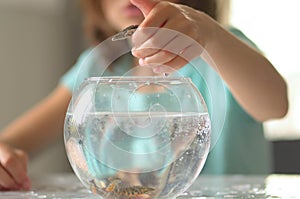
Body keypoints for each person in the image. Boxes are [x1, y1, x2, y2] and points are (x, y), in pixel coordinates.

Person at [0, 0, 288, 191]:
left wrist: (207, 34)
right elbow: (12, 142)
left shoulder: (219, 48)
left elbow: (275, 105)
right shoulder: (98, 65)